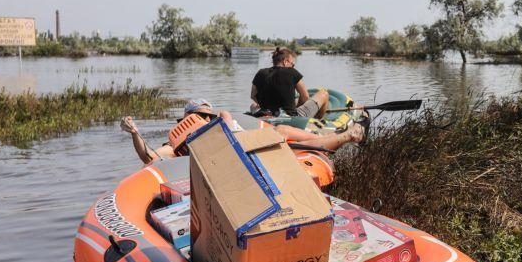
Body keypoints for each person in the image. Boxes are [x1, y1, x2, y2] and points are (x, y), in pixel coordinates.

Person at [122, 98, 363, 165]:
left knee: (282, 130)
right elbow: (150, 157)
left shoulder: (224, 118)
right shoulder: (178, 144)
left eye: (207, 115)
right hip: (251, 156)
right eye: (199, 116)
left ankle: (327, 137)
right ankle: (343, 136)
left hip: (256, 142)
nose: (204, 119)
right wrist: (134, 133)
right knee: (284, 143)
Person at [250, 47, 329, 119]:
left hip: (267, 114)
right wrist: (297, 108)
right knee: (324, 93)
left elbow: (253, 95)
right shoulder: (292, 72)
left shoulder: (261, 72)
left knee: (253, 106)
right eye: (292, 64)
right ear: (285, 61)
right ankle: (316, 121)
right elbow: (305, 96)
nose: (293, 67)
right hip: (290, 118)